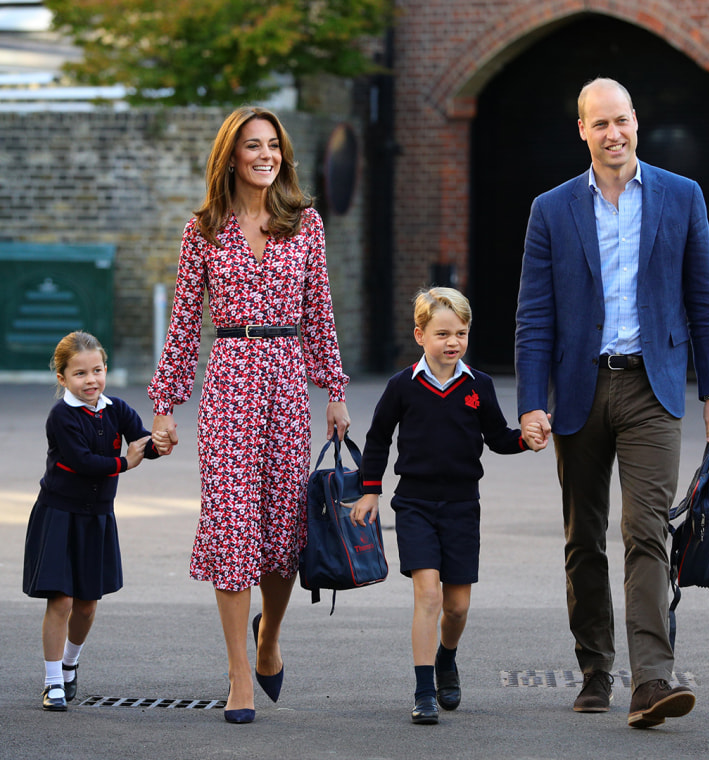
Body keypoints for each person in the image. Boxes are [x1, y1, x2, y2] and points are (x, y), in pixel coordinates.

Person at [515, 77, 709, 729]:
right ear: (581, 130)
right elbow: (534, 316)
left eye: (623, 121)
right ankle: (594, 666)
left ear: (636, 122)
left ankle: (650, 682)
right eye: (600, 124)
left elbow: (705, 299)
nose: (614, 133)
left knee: (646, 531)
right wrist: (531, 402)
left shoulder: (681, 195)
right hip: (579, 389)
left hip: (652, 386)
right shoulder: (550, 210)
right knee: (584, 537)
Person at [148, 106, 350, 724]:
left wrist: (333, 389)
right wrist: (164, 406)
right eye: (252, 146)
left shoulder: (304, 224)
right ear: (230, 157)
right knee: (233, 529)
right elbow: (184, 324)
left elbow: (319, 311)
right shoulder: (203, 229)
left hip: (288, 383)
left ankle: (268, 639)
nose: (266, 155)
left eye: (273, 146)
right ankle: (238, 673)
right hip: (231, 379)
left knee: (284, 535)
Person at [350, 287, 541, 725]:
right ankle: (423, 693)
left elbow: (497, 438)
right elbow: (378, 438)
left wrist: (524, 441)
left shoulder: (480, 387)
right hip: (414, 504)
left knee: (456, 607)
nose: (452, 342)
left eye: (460, 333)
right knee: (429, 595)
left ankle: (446, 658)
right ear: (420, 335)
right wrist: (371, 490)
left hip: (461, 506)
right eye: (441, 333)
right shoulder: (402, 386)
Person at [23, 331, 166, 712]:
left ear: (106, 369)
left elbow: (141, 442)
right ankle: (53, 682)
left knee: (86, 604)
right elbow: (83, 462)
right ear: (62, 379)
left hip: (97, 518)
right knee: (62, 598)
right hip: (58, 514)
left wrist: (159, 443)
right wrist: (125, 462)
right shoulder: (61, 417)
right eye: (80, 373)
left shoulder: (116, 409)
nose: (90, 380)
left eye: (97, 370)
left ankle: (70, 664)